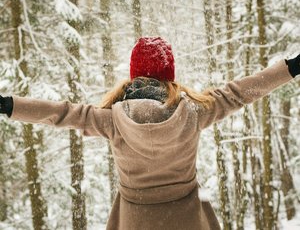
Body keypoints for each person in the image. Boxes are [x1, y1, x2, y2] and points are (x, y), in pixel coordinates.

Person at [0, 37, 299, 230]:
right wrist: (291, 68)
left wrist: (10, 105)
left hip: (135, 221)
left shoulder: (112, 119)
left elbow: (62, 113)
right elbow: (239, 93)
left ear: (134, 74)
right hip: (188, 220)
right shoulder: (194, 112)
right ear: (170, 74)